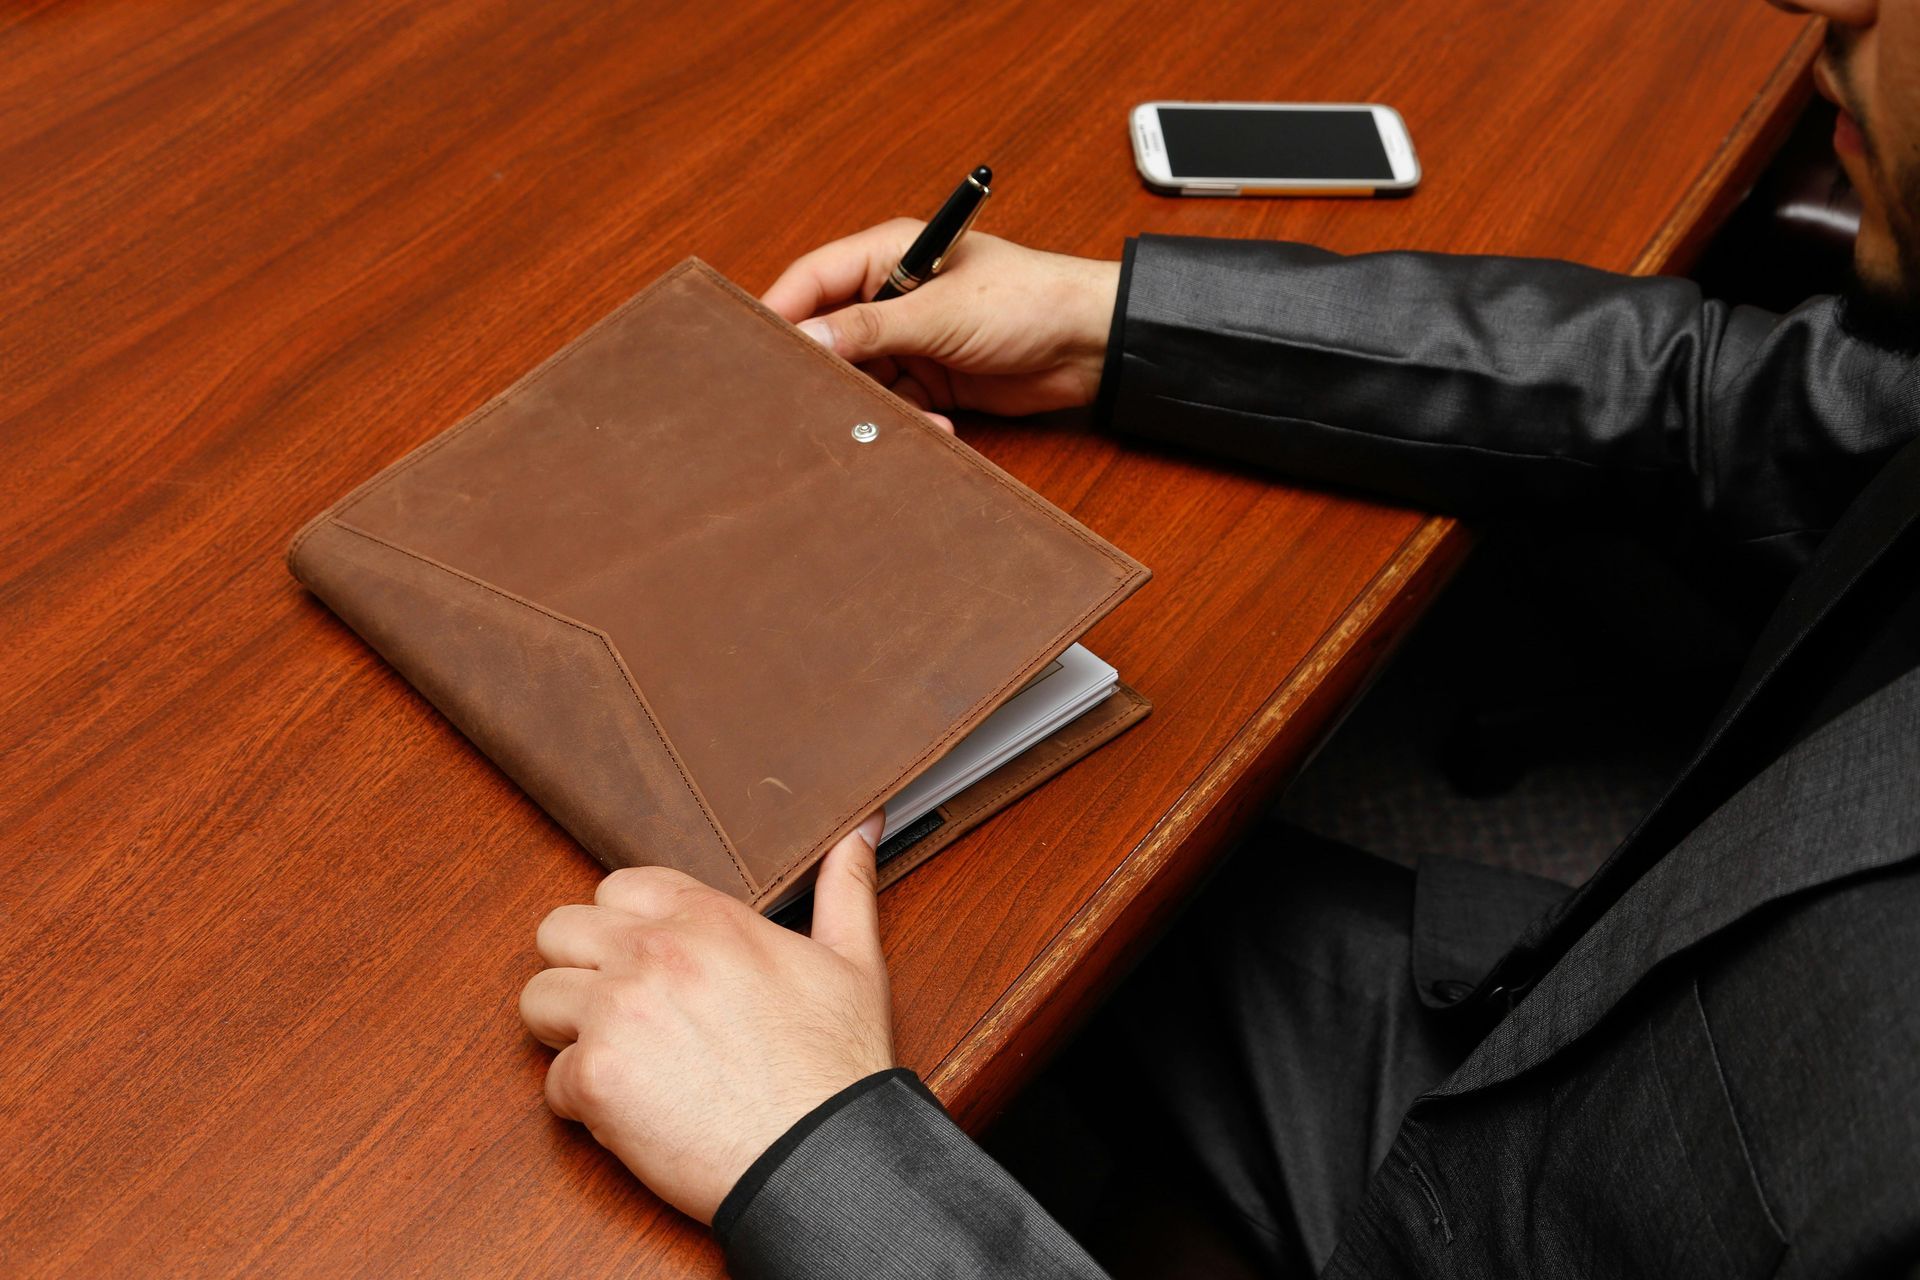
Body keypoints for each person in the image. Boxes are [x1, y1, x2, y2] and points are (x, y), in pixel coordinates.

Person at [516, 0, 1920, 1273]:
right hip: (1589, 1036)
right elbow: (1743, 403)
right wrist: (1115, 323)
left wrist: (824, 1164)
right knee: (1011, 898)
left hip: (1505, 1212)